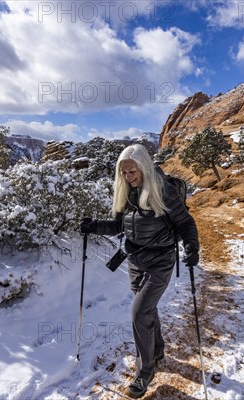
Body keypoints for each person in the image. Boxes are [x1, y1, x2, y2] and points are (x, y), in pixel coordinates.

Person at [80, 144, 200, 398]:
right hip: (135, 260)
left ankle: (144, 373)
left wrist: (192, 246)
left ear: (143, 167)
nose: (127, 177)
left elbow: (186, 223)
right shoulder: (125, 191)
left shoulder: (164, 191)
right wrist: (93, 227)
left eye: (132, 172)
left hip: (161, 260)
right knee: (146, 309)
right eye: (123, 173)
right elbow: (116, 226)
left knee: (138, 312)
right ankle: (156, 350)